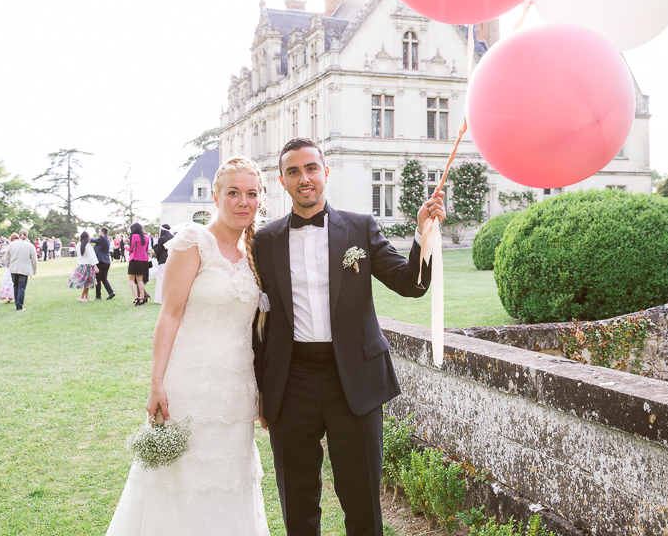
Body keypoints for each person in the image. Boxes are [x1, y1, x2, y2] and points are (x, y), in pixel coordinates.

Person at [252, 138, 445, 536]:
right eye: (293, 171)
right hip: (291, 383)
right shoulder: (265, 241)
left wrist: (423, 232)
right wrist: (260, 388)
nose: (304, 178)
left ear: (326, 172)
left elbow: (411, 284)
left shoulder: (360, 227)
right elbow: (255, 319)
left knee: (361, 500)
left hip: (355, 380)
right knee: (298, 500)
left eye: (310, 168)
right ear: (282, 181)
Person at [105, 157, 269, 536]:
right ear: (215, 195)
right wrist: (156, 383)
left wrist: (262, 387)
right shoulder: (193, 242)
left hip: (237, 389)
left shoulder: (256, 250)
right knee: (182, 480)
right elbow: (170, 315)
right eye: (233, 193)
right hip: (190, 386)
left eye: (251, 194)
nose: (243, 201)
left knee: (230, 479)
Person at [5, 229, 39, 310]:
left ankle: (17, 303)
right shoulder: (30, 246)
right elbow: (34, 260)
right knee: (21, 287)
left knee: (16, 286)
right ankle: (19, 305)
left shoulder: (12, 245)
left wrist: (9, 266)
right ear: (27, 236)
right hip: (24, 269)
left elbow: (6, 257)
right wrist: (34, 270)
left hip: (13, 268)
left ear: (19, 235)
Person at [69, 231, 99, 302]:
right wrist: (95, 266)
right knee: (88, 282)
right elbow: (91, 257)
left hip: (81, 264)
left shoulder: (79, 244)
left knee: (87, 281)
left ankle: (86, 296)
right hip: (88, 265)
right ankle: (82, 297)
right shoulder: (87, 246)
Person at [126, 224, 151, 305]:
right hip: (143, 260)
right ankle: (142, 297)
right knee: (140, 280)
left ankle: (136, 297)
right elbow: (146, 249)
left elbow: (130, 249)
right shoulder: (146, 237)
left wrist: (126, 247)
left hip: (135, 259)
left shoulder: (134, 236)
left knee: (131, 279)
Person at [91, 227, 116, 300]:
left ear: (102, 232)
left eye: (99, 232)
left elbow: (93, 240)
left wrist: (87, 238)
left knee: (98, 279)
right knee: (104, 278)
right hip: (106, 261)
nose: (98, 233)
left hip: (101, 261)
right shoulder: (106, 239)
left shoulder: (102, 238)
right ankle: (111, 292)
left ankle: (98, 296)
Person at [152, 224, 173, 305]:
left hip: (163, 261)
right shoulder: (172, 237)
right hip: (171, 260)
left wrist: (155, 247)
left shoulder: (162, 238)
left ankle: (160, 299)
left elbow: (159, 251)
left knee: (161, 279)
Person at [0, 233, 17, 303]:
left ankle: (13, 296)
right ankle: (9, 296)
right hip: (10, 266)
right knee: (8, 281)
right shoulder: (10, 246)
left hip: (15, 265)